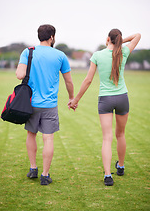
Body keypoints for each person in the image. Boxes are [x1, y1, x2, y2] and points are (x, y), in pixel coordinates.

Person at [68, 29, 141, 186]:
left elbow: (88, 80)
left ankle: (108, 176)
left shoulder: (97, 55)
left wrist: (75, 100)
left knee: (107, 138)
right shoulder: (124, 51)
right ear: (119, 40)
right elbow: (137, 35)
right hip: (122, 98)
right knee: (120, 134)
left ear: (108, 38)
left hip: (105, 100)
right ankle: (120, 167)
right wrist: (120, 42)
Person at [16, 24, 74, 185]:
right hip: (49, 105)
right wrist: (71, 97)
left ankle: (33, 168)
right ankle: (45, 175)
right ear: (52, 37)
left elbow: (19, 74)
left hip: (31, 103)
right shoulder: (60, 55)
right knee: (48, 139)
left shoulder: (28, 51)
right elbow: (68, 81)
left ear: (39, 36)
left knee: (31, 134)